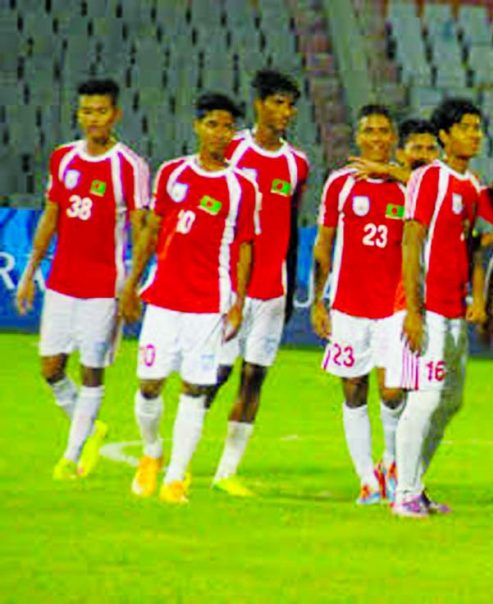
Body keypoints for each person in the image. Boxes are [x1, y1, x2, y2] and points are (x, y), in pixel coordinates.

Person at [119, 93, 259, 504]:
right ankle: (152, 453)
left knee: (196, 388)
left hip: (209, 301)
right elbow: (152, 229)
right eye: (212, 124)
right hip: (163, 296)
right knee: (149, 383)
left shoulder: (241, 187)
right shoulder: (171, 173)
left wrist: (238, 300)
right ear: (197, 126)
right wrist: (131, 283)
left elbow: (246, 246)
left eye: (227, 126)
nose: (220, 133)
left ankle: (177, 477)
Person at [15, 78, 149, 480]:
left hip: (104, 284)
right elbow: (51, 216)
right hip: (61, 280)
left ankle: (71, 456)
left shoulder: (129, 166)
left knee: (92, 368)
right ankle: (92, 428)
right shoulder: (63, 159)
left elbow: (144, 228)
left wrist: (133, 286)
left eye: (101, 111)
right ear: (79, 114)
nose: (93, 119)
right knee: (50, 367)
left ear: (116, 114)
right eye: (87, 112)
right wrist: (29, 272)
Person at [387, 97, 493, 517]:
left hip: (454, 307)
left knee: (452, 399)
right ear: (444, 136)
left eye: (478, 127)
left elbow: (470, 244)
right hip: (427, 307)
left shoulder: (470, 184)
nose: (475, 134)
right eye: (466, 127)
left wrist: (478, 297)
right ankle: (403, 492)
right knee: (425, 397)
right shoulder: (429, 179)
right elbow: (411, 241)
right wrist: (413, 310)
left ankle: (415, 485)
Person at [206, 70, 310, 497]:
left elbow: (290, 225)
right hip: (228, 284)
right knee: (213, 373)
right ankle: (177, 451)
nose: (286, 112)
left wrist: (287, 289)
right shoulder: (233, 149)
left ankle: (227, 471)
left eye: (291, 105)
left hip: (272, 285)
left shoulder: (296, 163)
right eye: (278, 103)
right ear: (259, 104)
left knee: (254, 376)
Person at [311, 104, 408, 505]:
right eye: (369, 131)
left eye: (384, 131)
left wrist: (394, 173)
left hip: (394, 307)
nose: (377, 138)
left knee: (391, 392)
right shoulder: (340, 184)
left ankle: (390, 460)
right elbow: (324, 243)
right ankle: (366, 478)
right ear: (358, 137)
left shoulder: (409, 186)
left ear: (394, 138)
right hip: (349, 305)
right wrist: (318, 301)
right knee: (353, 390)